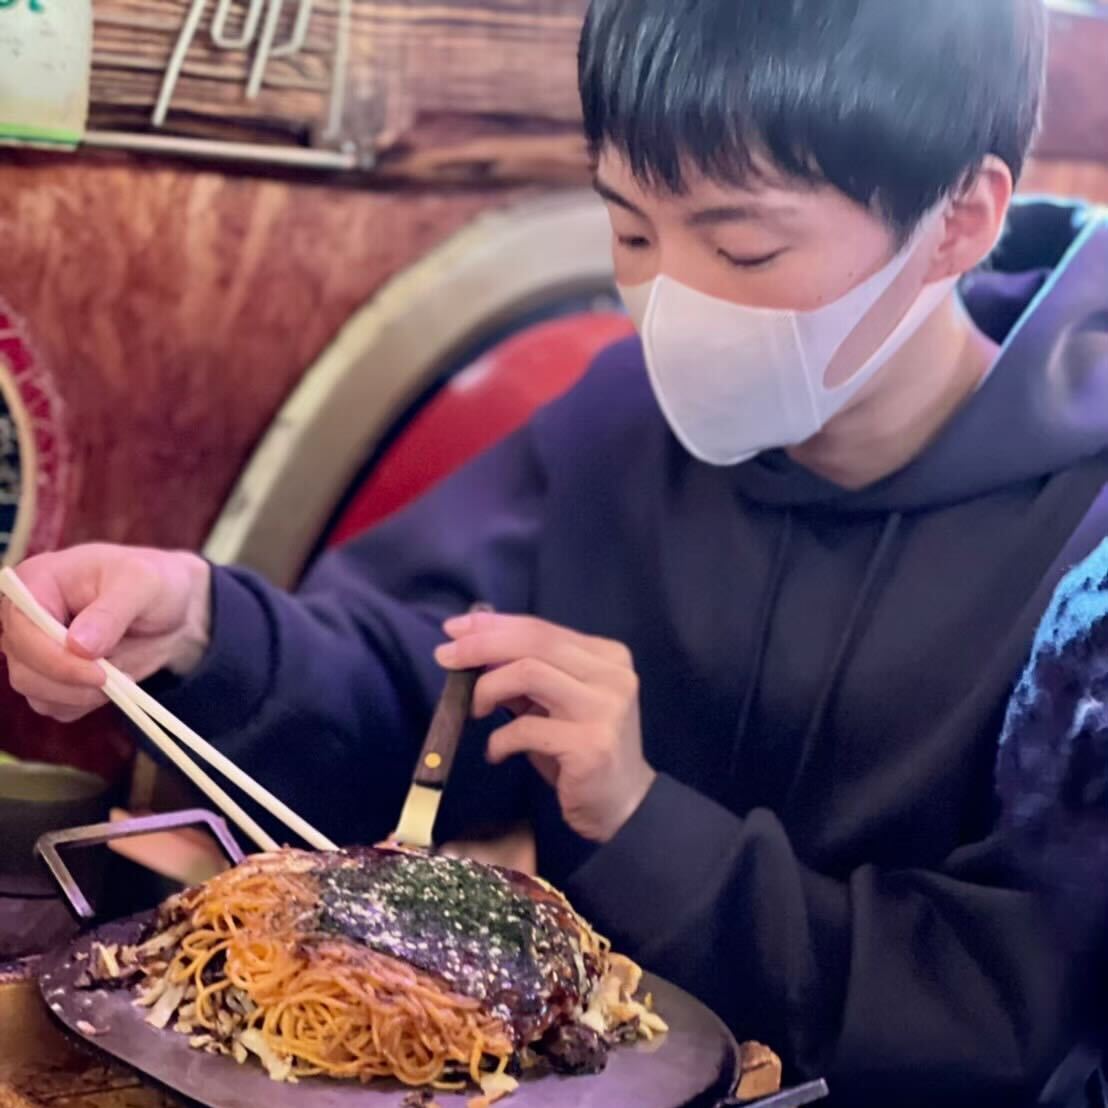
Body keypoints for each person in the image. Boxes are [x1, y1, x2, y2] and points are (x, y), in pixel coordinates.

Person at [3, 1, 1107, 1103]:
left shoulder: (1083, 556)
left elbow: (1010, 1012)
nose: (671, 305)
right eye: (631, 232)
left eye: (743, 247)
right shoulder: (623, 420)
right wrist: (204, 627)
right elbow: (430, 686)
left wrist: (641, 819)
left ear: (960, 218)